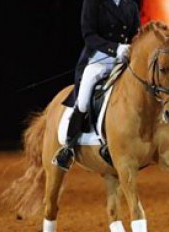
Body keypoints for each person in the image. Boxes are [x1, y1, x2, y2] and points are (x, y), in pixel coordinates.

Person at [52, 0, 140, 171]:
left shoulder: (130, 4)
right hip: (99, 58)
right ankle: (68, 148)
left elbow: (136, 32)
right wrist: (115, 48)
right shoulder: (93, 2)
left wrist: (135, 44)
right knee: (84, 99)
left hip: (125, 58)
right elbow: (89, 35)